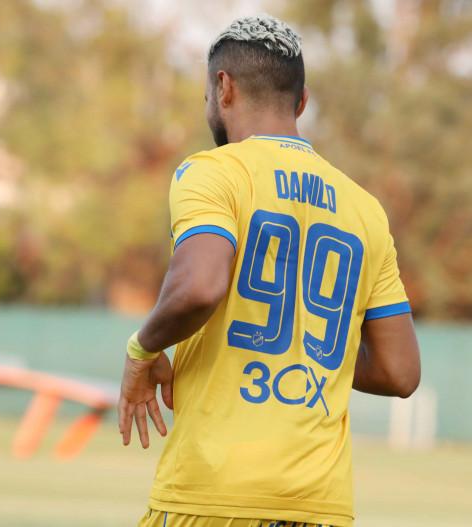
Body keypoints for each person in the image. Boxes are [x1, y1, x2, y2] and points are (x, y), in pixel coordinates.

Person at [118, 14, 421, 527]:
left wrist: (142, 349)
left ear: (223, 87)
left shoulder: (214, 172)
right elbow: (400, 371)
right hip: (320, 505)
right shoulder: (365, 209)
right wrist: (307, 348)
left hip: (214, 496)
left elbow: (200, 286)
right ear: (301, 102)